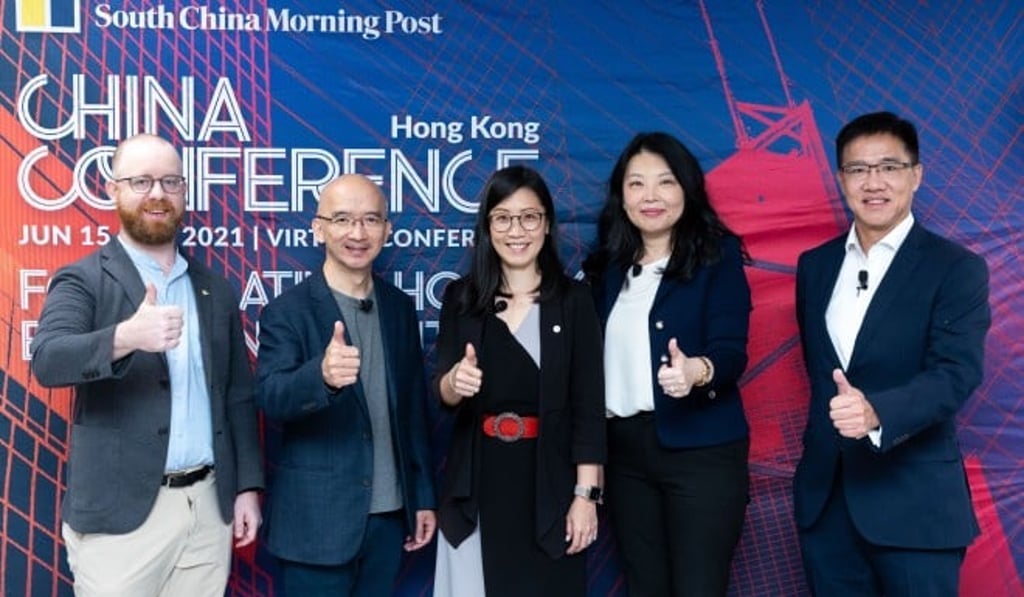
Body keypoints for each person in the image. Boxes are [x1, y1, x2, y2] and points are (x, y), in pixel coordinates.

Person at [30, 133, 264, 596]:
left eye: (170, 182)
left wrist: (247, 488)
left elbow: (238, 396)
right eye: (141, 181)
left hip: (206, 513)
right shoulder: (83, 279)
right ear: (114, 190)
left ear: (183, 192)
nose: (157, 194)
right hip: (122, 522)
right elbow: (48, 360)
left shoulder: (214, 289)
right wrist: (125, 337)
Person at [793, 111, 990, 596]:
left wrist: (877, 411)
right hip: (829, 504)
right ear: (841, 179)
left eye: (889, 167)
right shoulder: (814, 267)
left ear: (916, 175)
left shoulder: (956, 269)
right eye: (858, 169)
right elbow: (822, 374)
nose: (873, 182)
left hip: (915, 505)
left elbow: (955, 374)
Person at [583, 132, 752, 597]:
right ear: (622, 195)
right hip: (625, 456)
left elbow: (731, 351)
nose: (650, 196)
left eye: (665, 182)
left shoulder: (717, 258)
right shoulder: (605, 268)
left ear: (688, 189)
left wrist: (697, 371)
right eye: (637, 184)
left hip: (701, 454)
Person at [255, 173, 436, 596]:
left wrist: (422, 494)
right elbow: (270, 397)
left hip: (389, 520)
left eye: (371, 220)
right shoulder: (287, 311)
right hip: (316, 528)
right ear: (319, 228)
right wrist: (318, 376)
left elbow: (412, 412)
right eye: (342, 219)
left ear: (387, 230)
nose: (358, 233)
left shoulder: (399, 308)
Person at [432, 165, 606, 597]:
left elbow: (588, 406)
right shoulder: (462, 298)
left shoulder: (573, 301)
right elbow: (441, 391)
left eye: (529, 217)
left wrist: (586, 496)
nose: (517, 230)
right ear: (487, 227)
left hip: (550, 486)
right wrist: (455, 381)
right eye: (503, 218)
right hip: (477, 485)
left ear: (546, 224)